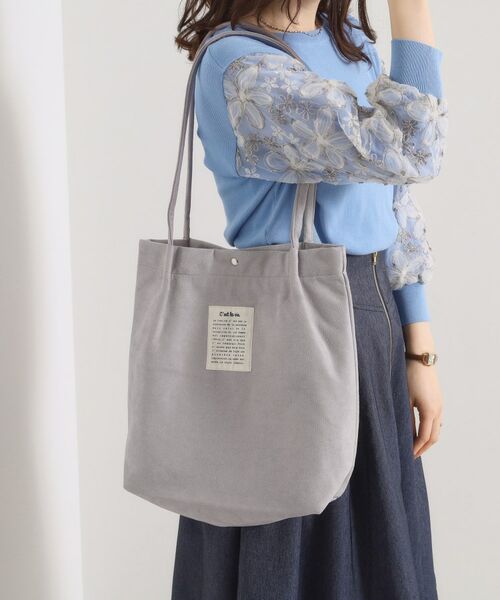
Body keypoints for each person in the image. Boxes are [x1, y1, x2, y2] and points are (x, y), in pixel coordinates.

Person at [171, 1, 447, 598]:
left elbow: (396, 198)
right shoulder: (239, 64)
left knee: (375, 550)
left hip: (372, 317)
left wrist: (418, 347)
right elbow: (412, 146)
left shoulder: (348, 42)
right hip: (291, 332)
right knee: (295, 540)